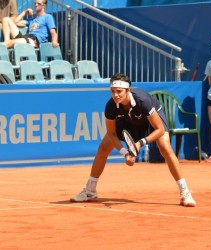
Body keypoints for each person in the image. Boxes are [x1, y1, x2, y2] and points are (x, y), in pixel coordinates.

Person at [70, 73, 196, 207]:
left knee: (165, 148)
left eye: (119, 91)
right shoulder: (111, 106)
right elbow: (111, 133)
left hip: (151, 121)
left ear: (128, 90)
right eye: (112, 91)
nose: (115, 95)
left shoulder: (143, 100)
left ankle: (185, 192)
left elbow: (159, 129)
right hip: (128, 121)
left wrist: (140, 143)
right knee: (103, 148)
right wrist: (125, 153)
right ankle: (90, 191)